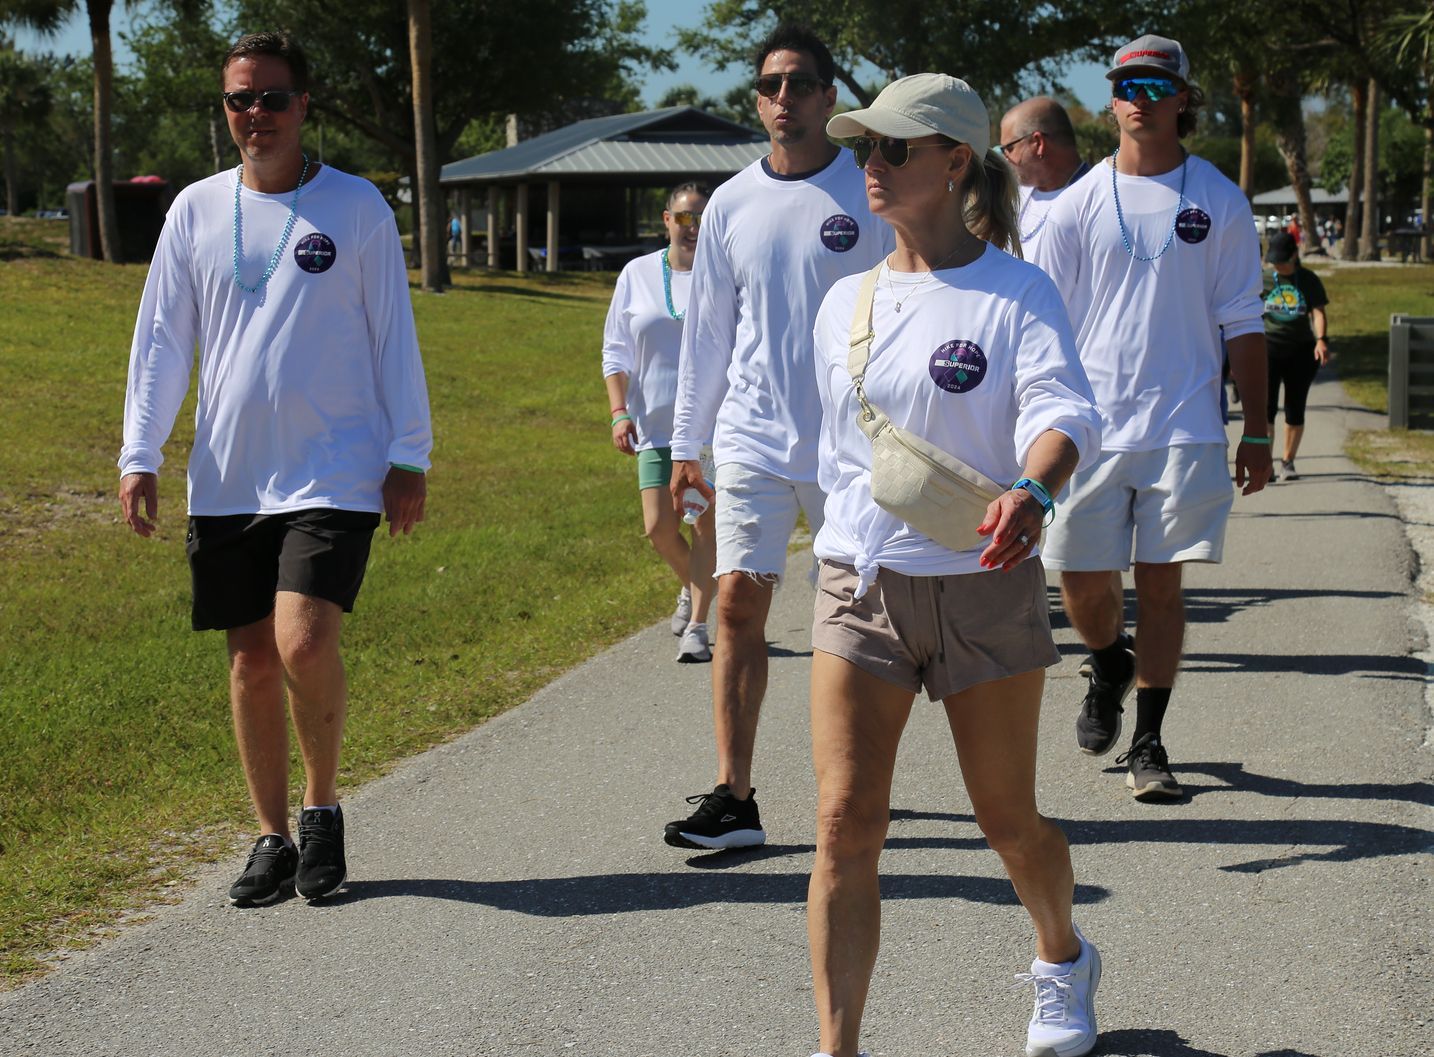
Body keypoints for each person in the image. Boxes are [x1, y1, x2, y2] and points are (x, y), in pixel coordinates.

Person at [808, 73, 1105, 1057]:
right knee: (846, 821)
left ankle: (1061, 956)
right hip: (861, 584)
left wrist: (1037, 489)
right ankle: (837, 1045)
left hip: (985, 577)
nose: (872, 166)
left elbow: (1063, 415)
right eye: (866, 149)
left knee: (1008, 820)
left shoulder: (1018, 293)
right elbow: (837, 460)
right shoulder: (844, 302)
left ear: (955, 161)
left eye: (894, 148)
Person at [117, 31, 432, 906]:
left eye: (273, 98)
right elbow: (162, 341)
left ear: (304, 107)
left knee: (302, 638)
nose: (256, 115)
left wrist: (410, 451)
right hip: (228, 475)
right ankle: (270, 835)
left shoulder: (358, 207)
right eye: (239, 100)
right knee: (252, 658)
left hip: (334, 467)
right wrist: (140, 450)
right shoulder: (195, 210)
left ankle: (323, 807)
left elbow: (392, 337)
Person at [663, 24, 893, 850]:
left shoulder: (868, 190)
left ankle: (855, 788)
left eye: (800, 83)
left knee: (859, 624)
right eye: (770, 85)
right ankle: (735, 797)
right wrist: (689, 443)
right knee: (736, 607)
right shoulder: (730, 204)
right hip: (751, 438)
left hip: (849, 446)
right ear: (757, 102)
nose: (784, 98)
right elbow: (708, 338)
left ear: (832, 99)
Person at [1032, 33, 1270, 802]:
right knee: (1080, 579)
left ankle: (1149, 740)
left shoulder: (1220, 200)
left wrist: (1258, 430)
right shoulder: (1076, 206)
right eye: (1126, 84)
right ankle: (1107, 661)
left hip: (1184, 424)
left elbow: (1244, 321)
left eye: (1154, 85)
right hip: (1090, 427)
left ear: (1181, 99)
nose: (1139, 97)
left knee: (1163, 590)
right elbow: (1042, 326)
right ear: (1111, 100)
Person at [601, 181, 717, 662]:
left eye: (703, 219)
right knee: (659, 528)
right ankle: (693, 588)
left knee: (705, 529)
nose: (693, 228)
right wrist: (618, 411)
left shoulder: (722, 273)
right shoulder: (637, 273)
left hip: (712, 427)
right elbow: (615, 350)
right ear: (667, 220)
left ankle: (699, 626)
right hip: (655, 426)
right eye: (685, 218)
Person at [1262, 231, 1331, 480]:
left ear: (1294, 255)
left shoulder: (1308, 280)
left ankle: (1288, 462)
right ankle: (1265, 464)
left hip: (1300, 351)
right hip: (1268, 350)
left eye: (1282, 259)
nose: (1277, 265)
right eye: (1274, 260)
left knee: (1295, 408)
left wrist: (1321, 340)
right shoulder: (1264, 279)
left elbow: (1318, 312)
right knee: (1265, 409)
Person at [997, 96, 1091, 260]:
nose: (1005, 158)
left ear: (1038, 143)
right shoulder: (1012, 197)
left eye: (1009, 148)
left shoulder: (1094, 198)